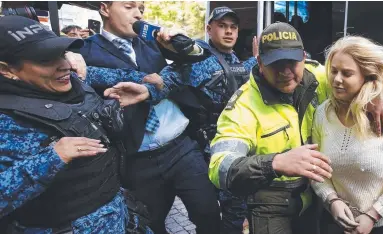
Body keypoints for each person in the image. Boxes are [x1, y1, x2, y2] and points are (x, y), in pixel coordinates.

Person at [208, 22, 383, 234]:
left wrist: (376, 94)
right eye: (275, 64)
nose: (285, 72)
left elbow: (360, 71)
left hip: (318, 196)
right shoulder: (243, 106)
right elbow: (220, 169)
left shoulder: (319, 77)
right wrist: (275, 163)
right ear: (260, 62)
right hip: (272, 203)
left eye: (292, 62)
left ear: (303, 56)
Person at [0, 15, 155, 233]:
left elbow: (140, 78)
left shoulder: (74, 79)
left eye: (61, 53)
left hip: (121, 216)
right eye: (45, 60)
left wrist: (151, 89)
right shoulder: (7, 121)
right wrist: (52, 158)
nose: (64, 66)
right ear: (7, 70)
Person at [79, 2, 220, 234]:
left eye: (142, 9)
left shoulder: (153, 43)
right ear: (105, 8)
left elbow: (200, 60)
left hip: (182, 148)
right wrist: (151, 84)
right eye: (128, 6)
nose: (138, 14)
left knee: (209, 214)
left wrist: (180, 46)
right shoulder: (84, 51)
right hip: (136, 159)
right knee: (150, 224)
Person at [155, 6, 257, 233]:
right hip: (203, 147)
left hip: (232, 143)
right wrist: (149, 90)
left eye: (233, 27)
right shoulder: (198, 57)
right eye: (222, 26)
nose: (229, 32)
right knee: (209, 211)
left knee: (234, 208)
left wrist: (259, 61)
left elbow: (238, 71)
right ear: (209, 29)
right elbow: (168, 82)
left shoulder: (233, 57)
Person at [311, 36, 383, 234]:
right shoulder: (322, 113)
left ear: (367, 76)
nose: (337, 79)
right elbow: (317, 167)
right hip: (334, 223)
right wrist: (332, 200)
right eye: (334, 71)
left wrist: (374, 214)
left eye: (347, 74)